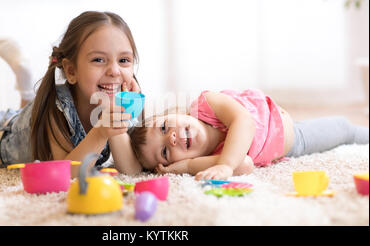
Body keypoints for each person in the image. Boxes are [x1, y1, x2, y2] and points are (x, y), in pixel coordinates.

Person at [0, 11, 142, 178]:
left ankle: (25, 90)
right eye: (98, 60)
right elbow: (66, 172)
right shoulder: (58, 108)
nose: (114, 71)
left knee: (28, 113)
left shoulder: (117, 104)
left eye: (124, 60)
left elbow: (130, 170)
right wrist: (101, 131)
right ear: (71, 71)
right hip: (1, 135)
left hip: (28, 122)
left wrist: (116, 122)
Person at [127, 89, 369, 180]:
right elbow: (244, 164)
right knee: (338, 131)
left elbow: (244, 121)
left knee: (344, 129)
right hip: (295, 147)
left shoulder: (207, 103)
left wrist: (225, 165)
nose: (171, 137)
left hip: (294, 132)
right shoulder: (214, 159)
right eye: (166, 152)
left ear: (173, 113)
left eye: (163, 127)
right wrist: (187, 166)